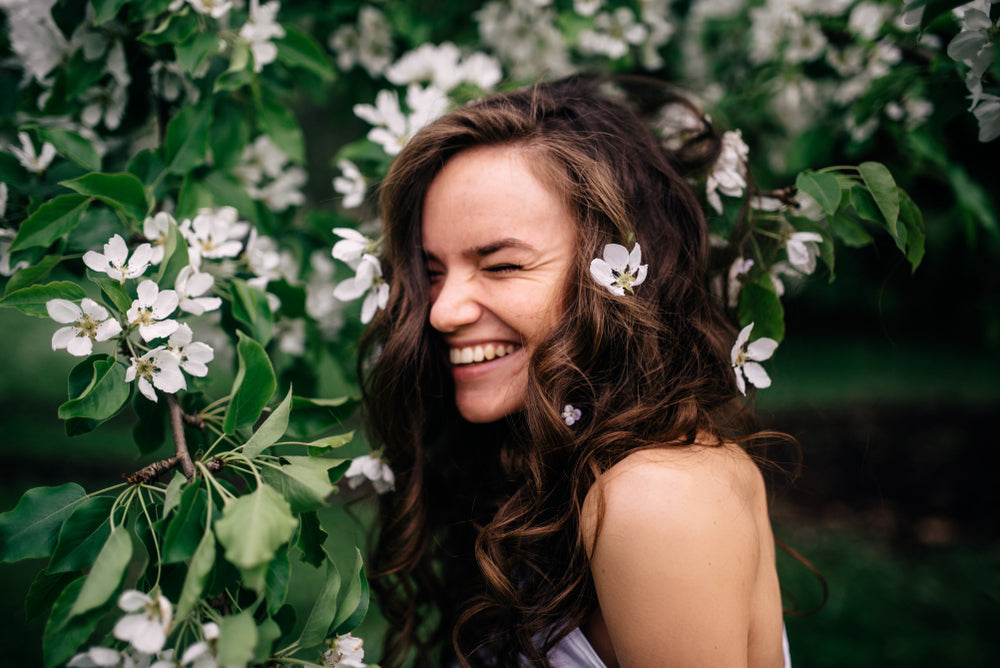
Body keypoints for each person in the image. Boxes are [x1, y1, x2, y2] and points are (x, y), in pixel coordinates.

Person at [359, 75, 793, 668]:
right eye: (433, 271)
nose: (441, 311)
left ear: (620, 274)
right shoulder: (555, 472)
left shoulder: (658, 495)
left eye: (503, 265)